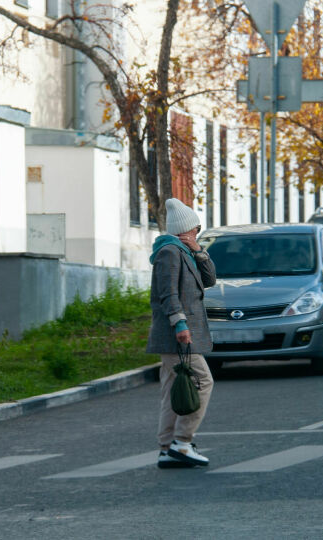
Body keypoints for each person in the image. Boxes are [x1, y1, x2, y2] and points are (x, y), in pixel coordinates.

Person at [147, 198, 217, 468]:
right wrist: (180, 324)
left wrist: (199, 250)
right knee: (203, 381)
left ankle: (167, 447)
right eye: (196, 230)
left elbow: (210, 279)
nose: (197, 234)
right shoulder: (169, 253)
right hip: (178, 335)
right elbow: (167, 294)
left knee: (171, 390)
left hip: (179, 334)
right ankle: (182, 442)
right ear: (185, 229)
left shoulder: (184, 251)